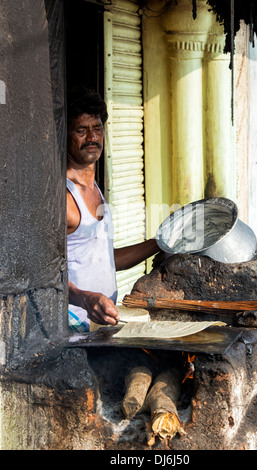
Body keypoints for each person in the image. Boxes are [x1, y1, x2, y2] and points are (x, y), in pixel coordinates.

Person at [66, 89, 160, 332]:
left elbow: (107, 261)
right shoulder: (63, 198)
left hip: (103, 325)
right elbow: (42, 277)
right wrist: (84, 298)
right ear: (64, 135)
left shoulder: (96, 190)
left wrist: (161, 243)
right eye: (80, 130)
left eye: (96, 129)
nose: (91, 137)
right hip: (71, 326)